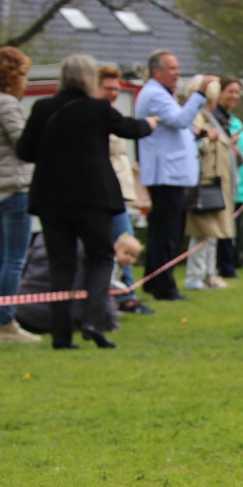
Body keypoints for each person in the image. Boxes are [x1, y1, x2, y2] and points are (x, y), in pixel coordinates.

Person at [18, 54, 158, 349]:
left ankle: (61, 334)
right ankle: (94, 320)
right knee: (100, 258)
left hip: (52, 198)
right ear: (90, 79)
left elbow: (25, 151)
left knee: (61, 264)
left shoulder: (43, 108)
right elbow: (130, 129)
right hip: (93, 197)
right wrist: (150, 124)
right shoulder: (98, 109)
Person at [134, 50, 210, 301]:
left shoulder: (159, 93)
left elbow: (175, 127)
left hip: (169, 174)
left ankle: (154, 281)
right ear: (157, 72)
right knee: (167, 233)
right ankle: (164, 286)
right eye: (172, 68)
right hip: (166, 174)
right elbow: (179, 120)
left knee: (162, 231)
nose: (177, 73)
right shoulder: (155, 93)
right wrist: (200, 94)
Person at [0, 45, 40, 343]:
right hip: (15, 187)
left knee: (0, 259)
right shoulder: (7, 104)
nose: (26, 81)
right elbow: (23, 144)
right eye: (24, 75)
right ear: (13, 76)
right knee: (14, 260)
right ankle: (5, 324)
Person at [96, 65, 149, 312]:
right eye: (107, 88)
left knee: (125, 243)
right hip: (106, 193)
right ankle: (125, 296)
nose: (113, 93)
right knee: (124, 244)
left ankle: (123, 294)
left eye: (116, 89)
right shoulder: (97, 117)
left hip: (120, 191)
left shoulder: (110, 113)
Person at [182, 76, 236, 291]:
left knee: (211, 233)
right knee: (202, 231)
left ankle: (208, 274)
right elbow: (192, 145)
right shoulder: (196, 116)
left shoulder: (207, 116)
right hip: (204, 183)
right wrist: (207, 140)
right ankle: (195, 277)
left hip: (215, 182)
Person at [213, 75, 243, 280]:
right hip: (219, 179)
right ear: (219, 93)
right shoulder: (215, 117)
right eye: (230, 91)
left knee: (233, 225)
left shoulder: (233, 120)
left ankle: (228, 265)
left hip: (237, 179)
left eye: (237, 92)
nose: (234, 96)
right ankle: (224, 266)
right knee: (222, 224)